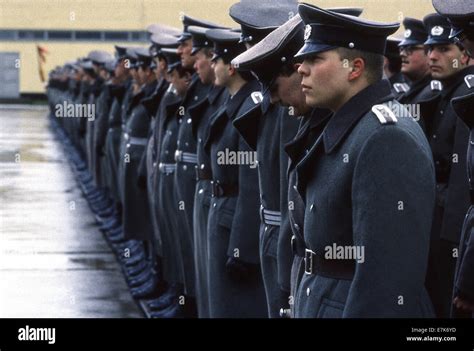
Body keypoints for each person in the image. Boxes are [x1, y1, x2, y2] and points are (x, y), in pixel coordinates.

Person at [291, 3, 436, 317]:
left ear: (354, 68)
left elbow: (386, 280)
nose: (301, 68)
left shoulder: (386, 136)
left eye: (315, 58)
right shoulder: (349, 124)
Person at [204, 28, 267, 317]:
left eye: (216, 60)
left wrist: (242, 247)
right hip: (224, 212)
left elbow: (251, 183)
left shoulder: (249, 106)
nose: (210, 65)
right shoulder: (236, 102)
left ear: (231, 67)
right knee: (219, 299)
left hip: (235, 220)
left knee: (236, 304)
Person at [419, 13, 472, 318]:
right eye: (429, 49)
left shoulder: (466, 93)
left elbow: (463, 180)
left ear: (464, 55)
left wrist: (453, 244)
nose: (432, 56)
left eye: (443, 49)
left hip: (450, 233)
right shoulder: (442, 92)